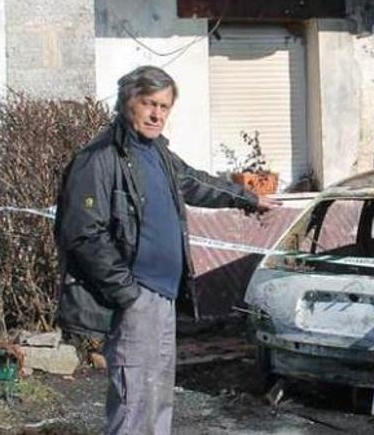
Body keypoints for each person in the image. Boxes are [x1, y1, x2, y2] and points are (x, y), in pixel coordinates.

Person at [53, 66, 279, 434]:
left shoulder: (156, 151)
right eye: (149, 104)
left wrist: (248, 198)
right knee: (133, 400)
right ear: (128, 101)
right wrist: (125, 291)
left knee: (159, 398)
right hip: (135, 296)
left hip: (163, 295)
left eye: (165, 106)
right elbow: (82, 233)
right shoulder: (99, 157)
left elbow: (194, 183)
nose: (157, 114)